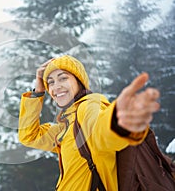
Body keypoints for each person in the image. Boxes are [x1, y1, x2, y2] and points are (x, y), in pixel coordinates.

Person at [18, 55, 160, 191]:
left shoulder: (89, 106)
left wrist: (118, 123)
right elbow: (29, 135)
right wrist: (38, 91)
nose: (56, 87)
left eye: (63, 78)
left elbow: (100, 132)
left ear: (79, 82)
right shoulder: (67, 125)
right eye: (51, 82)